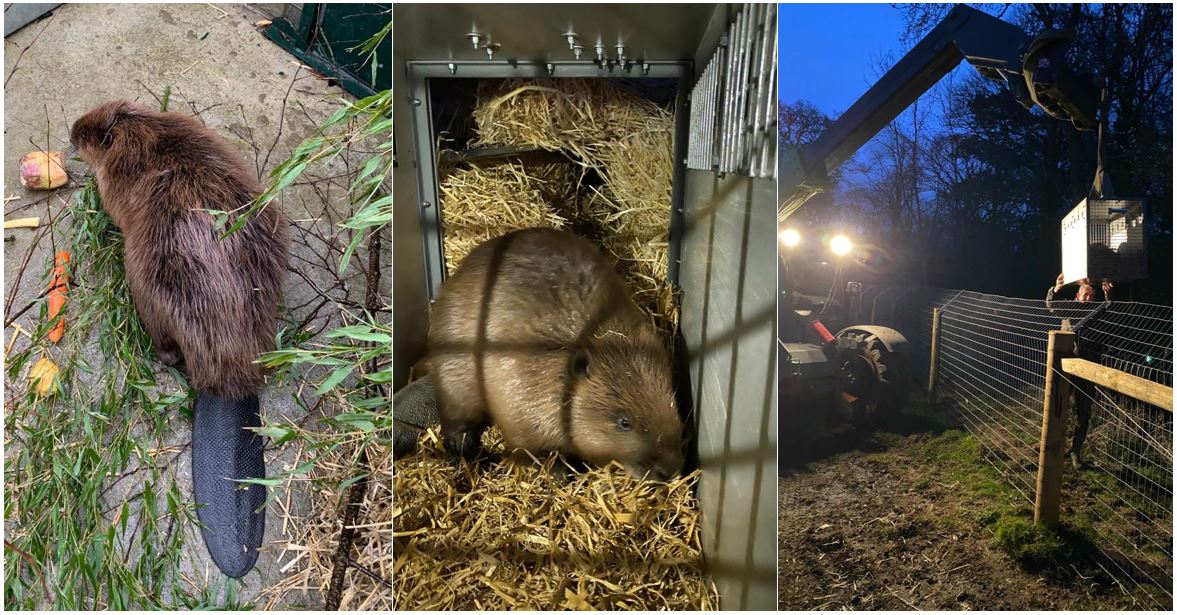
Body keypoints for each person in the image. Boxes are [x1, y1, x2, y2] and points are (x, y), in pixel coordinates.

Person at [1045, 273, 1106, 469]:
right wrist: (1056, 289)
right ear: (1077, 297)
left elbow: (1111, 311)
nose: (1088, 299)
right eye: (1085, 295)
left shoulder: (1098, 313)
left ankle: (1075, 453)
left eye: (1091, 296)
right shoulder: (1070, 309)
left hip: (1088, 372)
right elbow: (1051, 305)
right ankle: (1052, 446)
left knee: (1083, 414)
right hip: (1066, 370)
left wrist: (1108, 295)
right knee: (1057, 408)